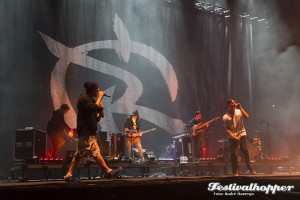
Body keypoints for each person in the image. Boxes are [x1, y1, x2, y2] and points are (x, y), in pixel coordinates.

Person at [64, 81, 121, 182]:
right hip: (86, 131)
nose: (99, 90)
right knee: (86, 153)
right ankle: (107, 171)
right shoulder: (83, 98)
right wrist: (99, 99)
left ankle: (107, 171)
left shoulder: (90, 100)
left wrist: (100, 110)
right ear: (92, 89)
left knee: (89, 153)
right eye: (97, 89)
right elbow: (92, 108)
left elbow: (97, 118)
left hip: (90, 132)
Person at [222, 99, 256, 176]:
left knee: (245, 150)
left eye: (234, 103)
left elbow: (247, 116)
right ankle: (235, 171)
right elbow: (227, 129)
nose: (234, 105)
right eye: (232, 104)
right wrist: (234, 136)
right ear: (228, 106)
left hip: (242, 133)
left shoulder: (239, 111)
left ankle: (250, 168)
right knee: (233, 154)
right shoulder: (225, 117)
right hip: (232, 136)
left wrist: (241, 107)